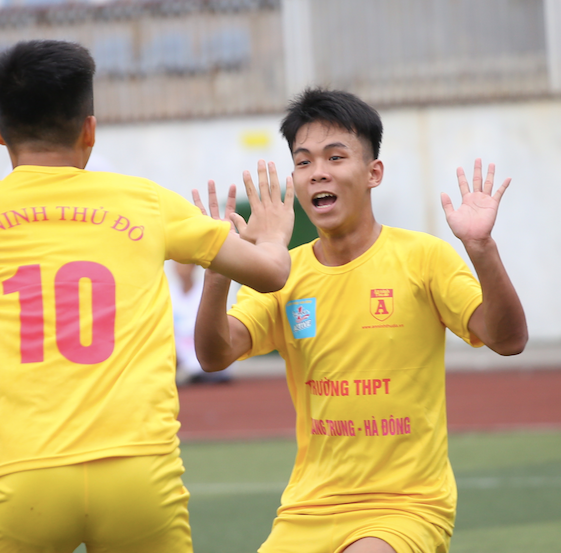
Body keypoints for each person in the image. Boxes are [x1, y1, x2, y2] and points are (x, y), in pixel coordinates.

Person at [0, 40, 293, 552]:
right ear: (90, 129)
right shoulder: (145, 201)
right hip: (139, 471)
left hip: (19, 476)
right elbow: (272, 274)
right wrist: (272, 234)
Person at [194, 89, 527, 553]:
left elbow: (508, 339)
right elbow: (214, 355)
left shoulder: (424, 258)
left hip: (406, 506)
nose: (318, 172)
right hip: (307, 508)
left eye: (335, 157)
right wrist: (218, 270)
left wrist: (482, 249)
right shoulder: (283, 275)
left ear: (374, 173)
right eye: (304, 162)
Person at [170, 261, 233, 385]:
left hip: (201, 341)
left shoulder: (205, 291)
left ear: (192, 268)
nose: (180, 270)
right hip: (179, 345)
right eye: (177, 266)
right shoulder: (170, 292)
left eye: (183, 265)